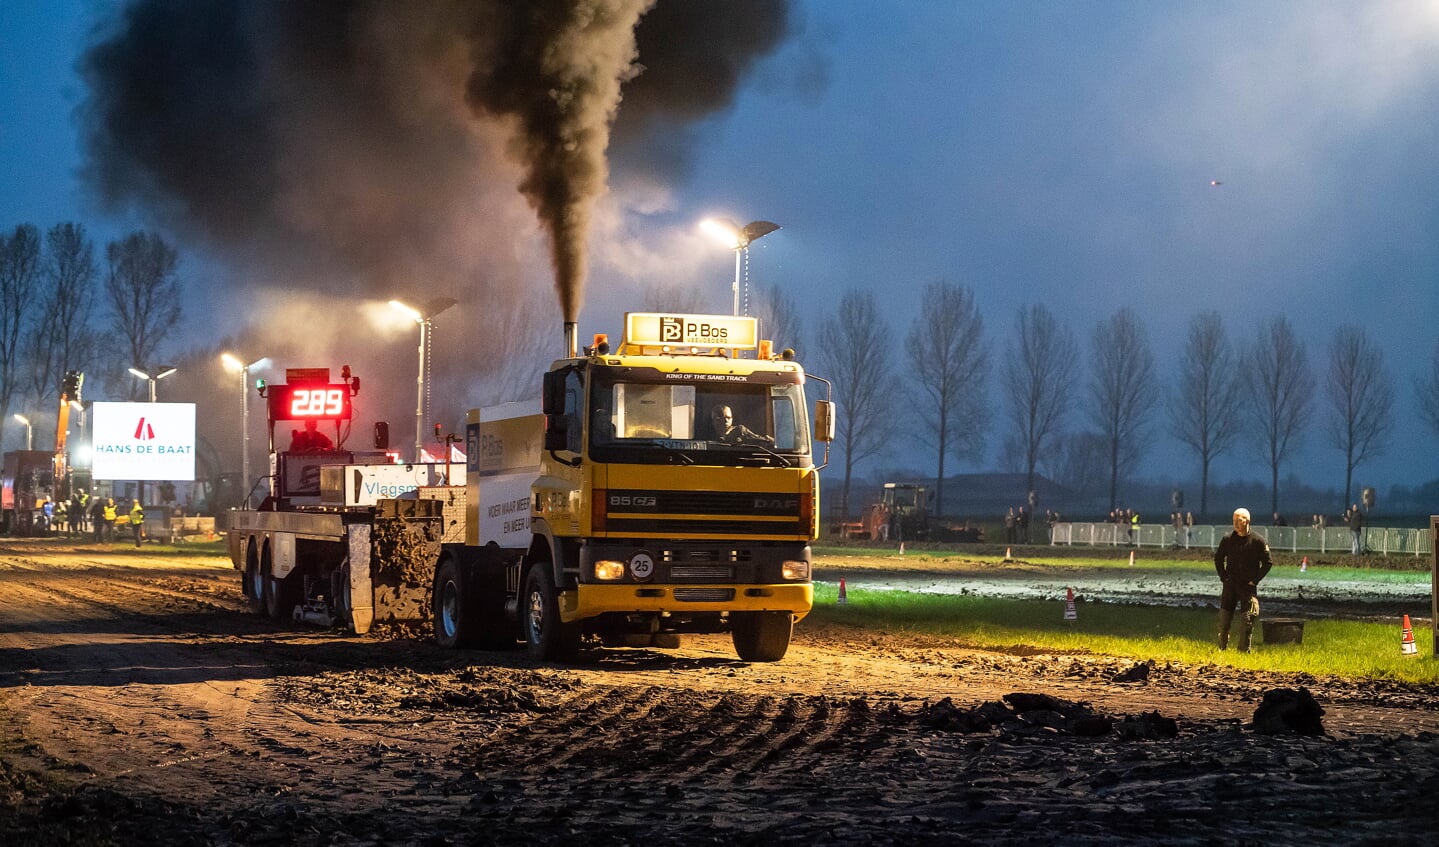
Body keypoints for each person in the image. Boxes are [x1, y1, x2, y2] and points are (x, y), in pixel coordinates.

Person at [1214, 507, 1273, 652]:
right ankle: (1221, 648)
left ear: (1247, 521)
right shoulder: (1228, 539)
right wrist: (1223, 576)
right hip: (1230, 586)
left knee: (1247, 620)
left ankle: (1243, 650)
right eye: (1233, 520)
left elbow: (1268, 562)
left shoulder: (1258, 541)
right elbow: (1218, 558)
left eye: (1238, 520)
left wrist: (1255, 580)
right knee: (1224, 620)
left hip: (1247, 587)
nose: (1235, 524)